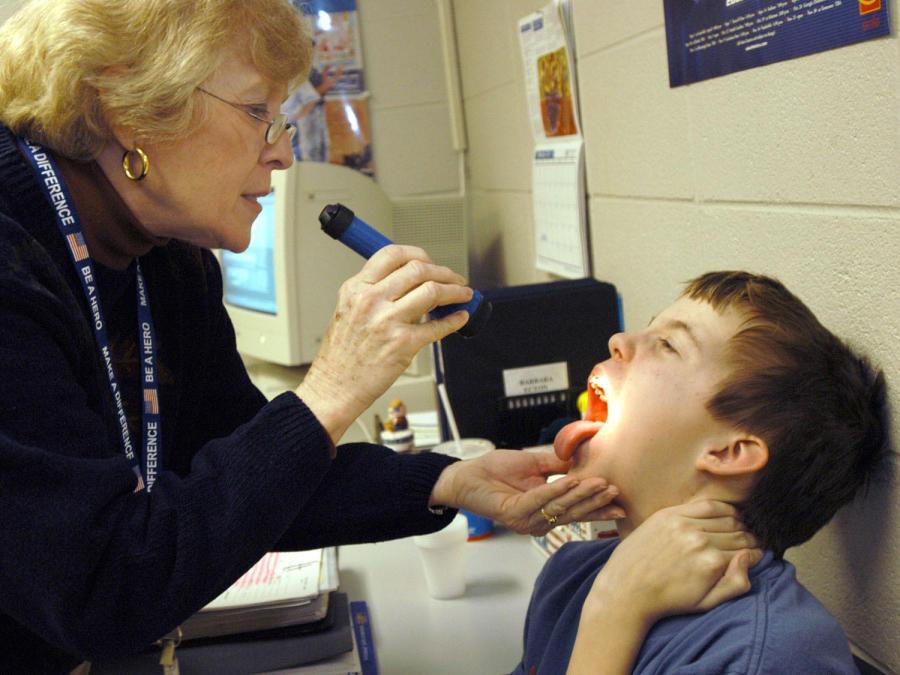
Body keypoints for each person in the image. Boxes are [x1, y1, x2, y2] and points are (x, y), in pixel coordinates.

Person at [0, 2, 623, 672]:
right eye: (256, 111)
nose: (283, 152)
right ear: (130, 108)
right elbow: (101, 586)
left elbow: (249, 478)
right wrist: (330, 389)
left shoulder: (170, 262)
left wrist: (447, 478)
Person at [515, 271, 888, 675]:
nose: (619, 341)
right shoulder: (570, 577)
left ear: (729, 452)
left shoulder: (767, 658)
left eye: (668, 344)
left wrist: (612, 611)